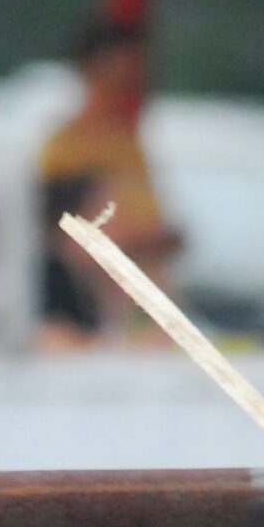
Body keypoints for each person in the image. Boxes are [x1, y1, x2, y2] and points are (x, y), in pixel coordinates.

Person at [37, 21, 183, 346]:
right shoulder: (66, 149)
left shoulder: (126, 145)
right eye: (118, 72)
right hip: (83, 300)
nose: (127, 84)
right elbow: (68, 232)